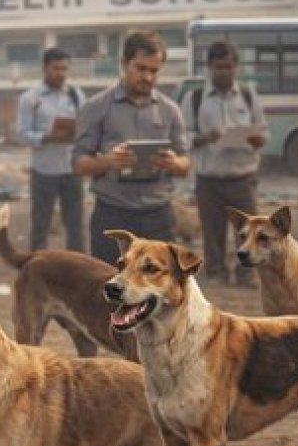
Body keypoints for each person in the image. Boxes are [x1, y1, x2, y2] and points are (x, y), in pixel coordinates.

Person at [71, 31, 190, 265]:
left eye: (154, 71)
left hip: (159, 216)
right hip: (113, 215)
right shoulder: (96, 107)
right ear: (125, 64)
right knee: (109, 288)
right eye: (141, 68)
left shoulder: (170, 110)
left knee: (159, 293)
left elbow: (186, 164)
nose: (147, 76)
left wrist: (173, 163)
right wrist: (109, 161)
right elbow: (78, 164)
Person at [182, 40, 267, 286]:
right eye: (218, 67)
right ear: (209, 67)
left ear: (236, 67)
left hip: (243, 177)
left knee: (248, 232)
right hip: (210, 178)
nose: (224, 72)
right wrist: (204, 138)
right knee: (212, 231)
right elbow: (182, 137)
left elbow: (263, 133)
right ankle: (216, 272)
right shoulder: (195, 98)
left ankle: (246, 273)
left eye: (228, 66)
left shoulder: (249, 96)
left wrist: (256, 138)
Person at [16, 47, 86, 252]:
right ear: (45, 69)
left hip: (72, 170)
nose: (61, 73)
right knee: (40, 226)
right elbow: (22, 134)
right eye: (56, 68)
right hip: (43, 172)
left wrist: (77, 133)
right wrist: (46, 138)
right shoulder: (30, 98)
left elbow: (86, 125)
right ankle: (37, 270)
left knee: (76, 227)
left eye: (64, 69)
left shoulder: (75, 94)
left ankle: (77, 271)